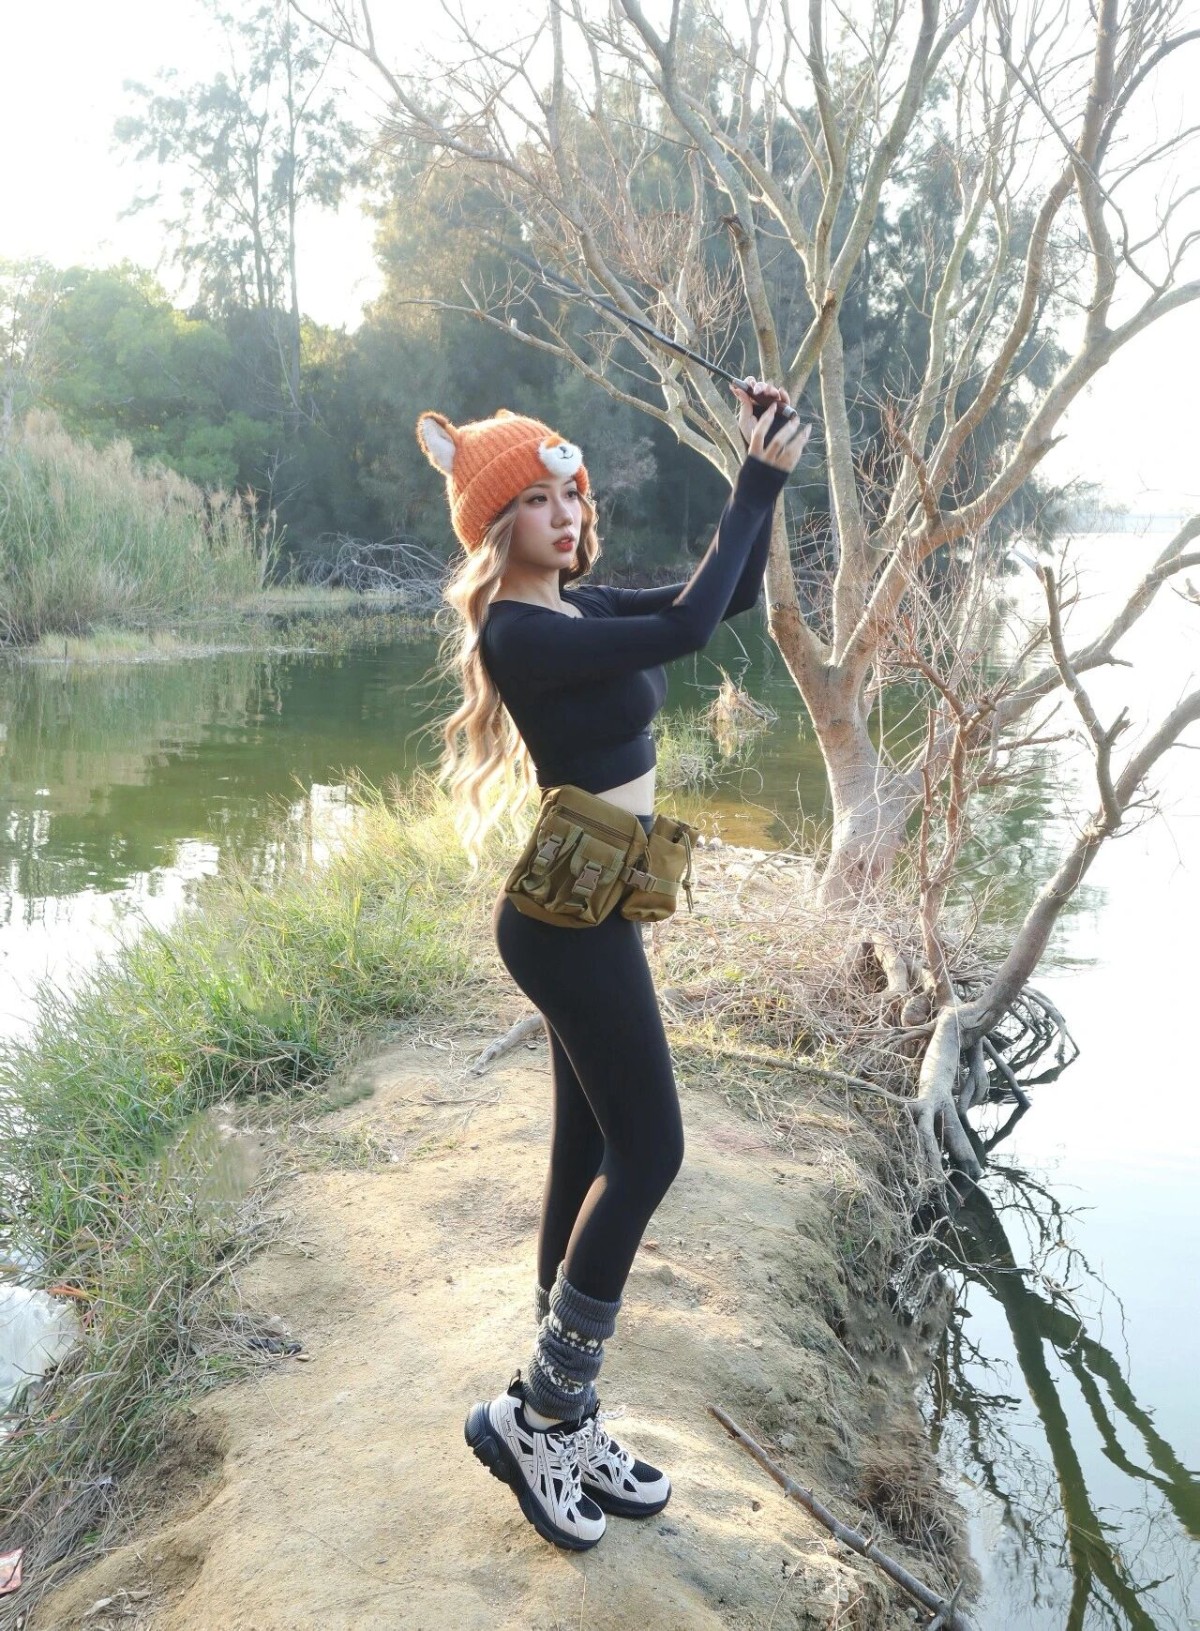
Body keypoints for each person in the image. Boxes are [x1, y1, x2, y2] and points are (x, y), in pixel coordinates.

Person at [417, 380, 810, 1553]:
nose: (566, 514)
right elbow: (687, 629)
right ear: (496, 526)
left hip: (600, 894)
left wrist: (760, 470)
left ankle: (563, 1412)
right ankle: (539, 1415)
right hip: (565, 919)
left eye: (571, 495)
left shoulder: (575, 608)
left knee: (588, 1152)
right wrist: (754, 483)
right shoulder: (520, 629)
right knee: (654, 1149)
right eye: (539, 501)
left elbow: (728, 597)